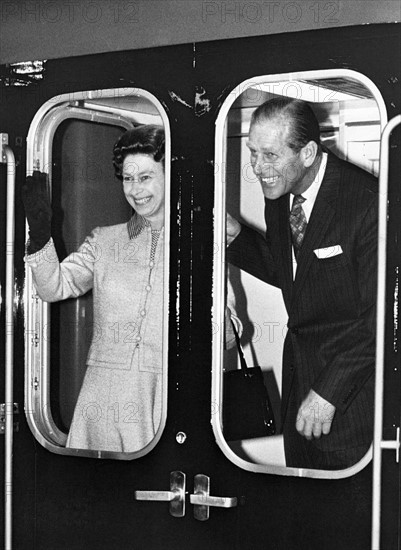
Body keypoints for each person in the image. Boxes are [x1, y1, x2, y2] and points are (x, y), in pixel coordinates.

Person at [226, 97, 377, 470]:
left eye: (271, 155)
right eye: (253, 153)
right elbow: (298, 275)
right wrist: (236, 238)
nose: (258, 168)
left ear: (308, 152)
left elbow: (387, 320)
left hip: (351, 405)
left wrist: (329, 392)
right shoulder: (280, 195)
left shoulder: (368, 203)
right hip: (299, 397)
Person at [23, 124, 166, 453]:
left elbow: (228, 329)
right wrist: (41, 234)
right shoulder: (104, 241)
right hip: (101, 398)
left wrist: (226, 327)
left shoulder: (196, 241)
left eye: (145, 177)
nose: (135, 190)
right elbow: (53, 287)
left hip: (162, 397)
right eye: (128, 179)